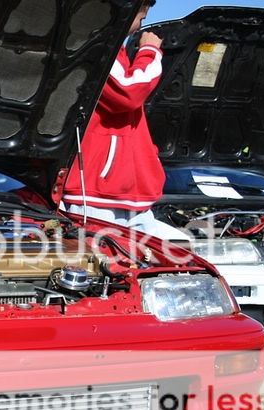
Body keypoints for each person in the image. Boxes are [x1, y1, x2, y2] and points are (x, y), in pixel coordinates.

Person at [63, 0, 187, 242]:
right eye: (141, 17)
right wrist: (149, 51)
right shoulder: (92, 43)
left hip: (128, 200)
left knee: (180, 252)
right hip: (98, 198)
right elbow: (128, 92)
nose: (141, 25)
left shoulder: (112, 50)